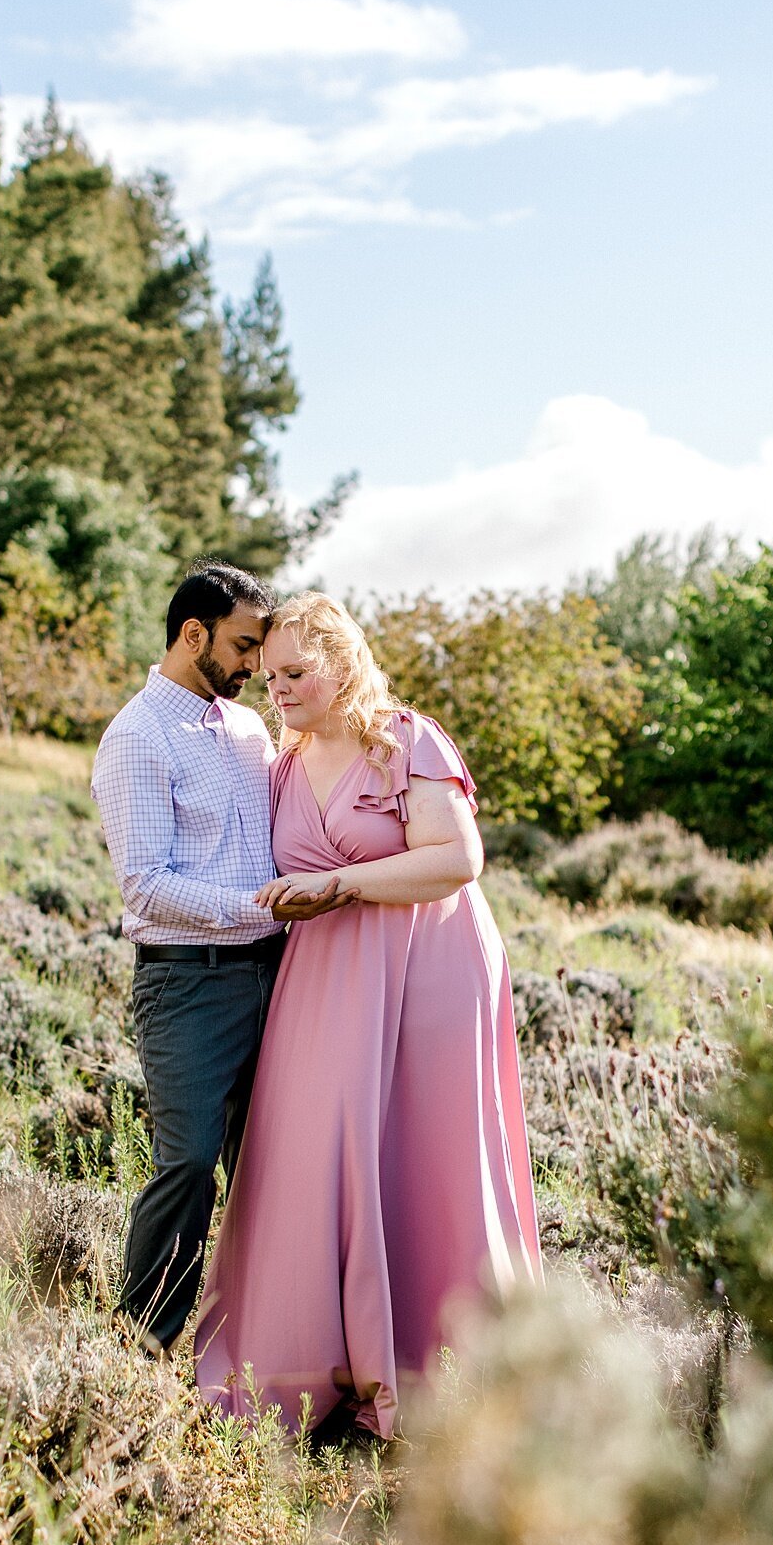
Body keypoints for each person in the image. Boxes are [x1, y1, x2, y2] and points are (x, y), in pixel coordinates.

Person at [194, 592, 541, 1444]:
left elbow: (458, 860)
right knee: (315, 1152)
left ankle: (440, 1369)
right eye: (268, 674)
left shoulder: (406, 739)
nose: (275, 688)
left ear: (343, 665)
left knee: (426, 1154)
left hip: (428, 970)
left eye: (296, 672)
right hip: (321, 979)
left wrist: (340, 885)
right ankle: (314, 1371)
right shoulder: (281, 762)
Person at [91, 564, 355, 1357]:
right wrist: (259, 907)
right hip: (190, 984)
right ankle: (142, 1348)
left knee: (274, 1159)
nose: (255, 668)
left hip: (280, 973)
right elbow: (143, 885)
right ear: (192, 634)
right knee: (189, 1162)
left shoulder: (246, 729)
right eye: (244, 647)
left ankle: (265, 1348)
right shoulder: (136, 738)